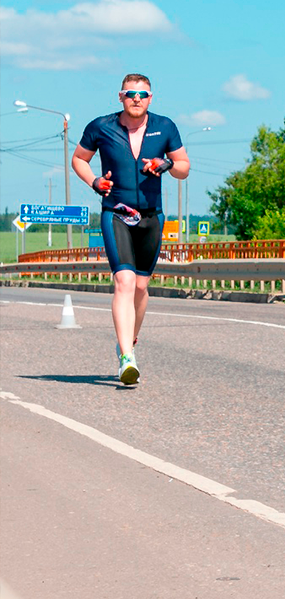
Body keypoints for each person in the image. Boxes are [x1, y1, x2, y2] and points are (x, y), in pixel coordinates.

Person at [71, 74, 189, 385]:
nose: (137, 98)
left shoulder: (166, 127)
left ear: (151, 98)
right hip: (116, 213)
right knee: (124, 282)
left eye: (143, 94)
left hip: (152, 217)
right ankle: (127, 358)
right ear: (120, 97)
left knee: (139, 287)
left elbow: (184, 168)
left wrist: (165, 164)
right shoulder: (101, 127)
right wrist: (94, 181)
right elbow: (79, 159)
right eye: (131, 93)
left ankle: (130, 340)